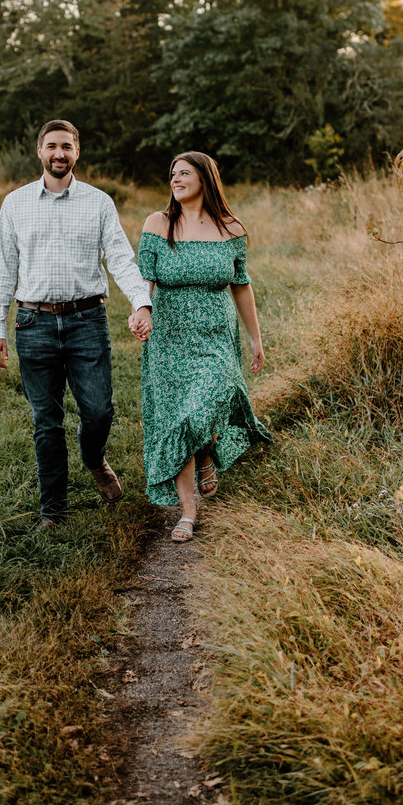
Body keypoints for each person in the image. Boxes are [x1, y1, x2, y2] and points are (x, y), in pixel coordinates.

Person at [0, 119, 153, 527]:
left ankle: (93, 458)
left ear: (77, 152)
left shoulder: (98, 203)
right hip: (33, 322)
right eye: (51, 146)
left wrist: (141, 303)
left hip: (87, 321)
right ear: (39, 152)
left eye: (66, 146)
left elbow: (119, 258)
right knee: (47, 421)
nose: (59, 153)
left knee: (99, 411)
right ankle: (54, 511)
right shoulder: (15, 203)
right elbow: (1, 269)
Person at [132, 151, 271, 542]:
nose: (175, 180)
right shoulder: (158, 224)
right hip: (169, 335)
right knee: (179, 418)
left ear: (206, 179)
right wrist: (141, 312)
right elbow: (144, 280)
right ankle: (188, 512)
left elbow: (241, 285)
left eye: (184, 173)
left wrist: (255, 338)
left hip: (215, 332)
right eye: (172, 174)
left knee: (208, 400)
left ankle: (206, 450)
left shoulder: (231, 228)